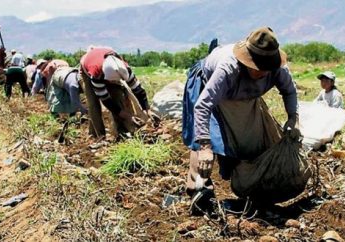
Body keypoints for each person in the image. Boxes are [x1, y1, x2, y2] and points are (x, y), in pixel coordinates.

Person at [182, 27, 300, 214]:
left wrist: (294, 118)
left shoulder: (276, 68)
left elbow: (290, 91)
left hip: (244, 97)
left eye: (265, 68)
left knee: (252, 141)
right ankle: (199, 189)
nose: (262, 73)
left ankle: (255, 185)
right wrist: (204, 146)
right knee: (209, 140)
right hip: (207, 86)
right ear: (247, 60)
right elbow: (203, 106)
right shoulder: (228, 68)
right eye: (257, 67)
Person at [80, 46, 156, 137]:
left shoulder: (125, 68)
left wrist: (147, 109)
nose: (113, 83)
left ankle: (122, 131)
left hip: (103, 66)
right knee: (93, 104)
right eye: (112, 81)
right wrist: (127, 116)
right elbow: (106, 100)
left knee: (118, 96)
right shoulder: (96, 75)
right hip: (86, 71)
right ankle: (100, 136)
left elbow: (138, 90)